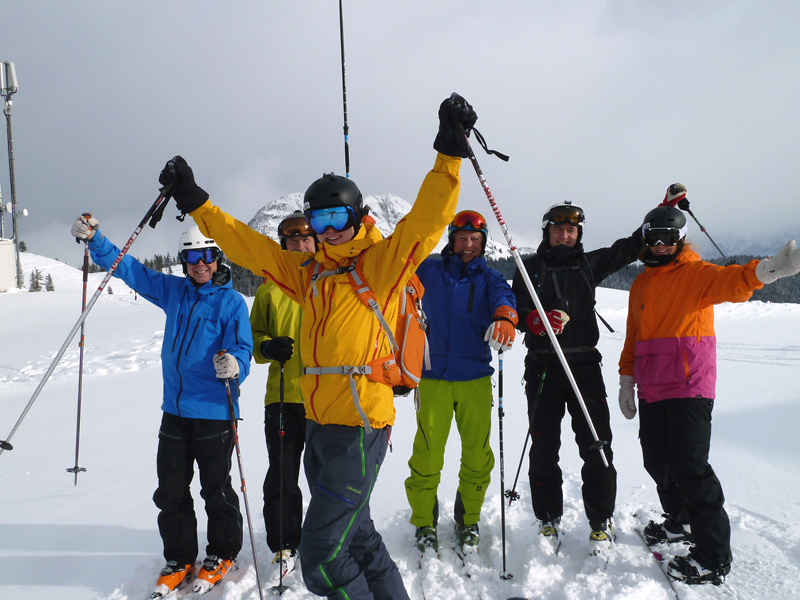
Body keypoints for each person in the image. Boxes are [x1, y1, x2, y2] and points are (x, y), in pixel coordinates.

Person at [156, 93, 477, 600]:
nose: (327, 232)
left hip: (362, 426)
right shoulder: (310, 275)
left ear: (358, 216)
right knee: (360, 536)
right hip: (319, 424)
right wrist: (197, 201)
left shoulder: (383, 264)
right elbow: (248, 246)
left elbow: (428, 220)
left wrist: (449, 154)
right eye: (318, 222)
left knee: (322, 557)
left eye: (337, 219)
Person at [618, 198, 800, 584]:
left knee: (692, 470)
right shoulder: (641, 282)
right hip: (652, 387)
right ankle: (679, 522)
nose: (661, 244)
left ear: (681, 239)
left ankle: (713, 555)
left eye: (669, 237)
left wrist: (765, 271)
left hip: (689, 385)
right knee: (658, 461)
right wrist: (626, 379)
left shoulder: (696, 273)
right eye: (654, 237)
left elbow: (731, 282)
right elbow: (633, 335)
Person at [70, 218, 252, 597]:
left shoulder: (232, 302)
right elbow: (132, 271)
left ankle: (222, 553)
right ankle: (180, 557)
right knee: (170, 490)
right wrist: (96, 241)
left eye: (206, 256)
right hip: (174, 410)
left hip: (215, 411)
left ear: (217, 258)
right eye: (191, 258)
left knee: (215, 490)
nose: (199, 265)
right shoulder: (175, 291)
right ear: (184, 262)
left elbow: (243, 351)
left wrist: (234, 365)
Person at [511, 201, 644, 552]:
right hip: (543, 365)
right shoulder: (530, 268)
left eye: (571, 230)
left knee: (597, 445)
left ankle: (600, 520)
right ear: (547, 232)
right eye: (558, 229)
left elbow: (628, 248)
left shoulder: (589, 263)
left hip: (584, 365)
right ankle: (548, 518)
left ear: (578, 233)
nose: (564, 235)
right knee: (543, 447)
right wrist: (535, 323)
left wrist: (662, 214)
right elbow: (518, 308)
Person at [404, 209, 517, 555]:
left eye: (475, 240)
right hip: (432, 377)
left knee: (478, 456)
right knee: (426, 455)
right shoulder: (428, 270)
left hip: (475, 380)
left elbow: (505, 301)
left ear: (483, 244)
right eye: (462, 238)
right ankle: (424, 522)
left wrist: (506, 319)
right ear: (452, 239)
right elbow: (401, 283)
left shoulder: (491, 278)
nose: (468, 245)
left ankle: (468, 518)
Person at [249, 211, 316, 574]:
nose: (300, 245)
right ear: (283, 245)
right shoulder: (268, 287)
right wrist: (268, 348)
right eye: (292, 241)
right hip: (282, 396)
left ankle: (326, 536)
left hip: (326, 397)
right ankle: (284, 543)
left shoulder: (330, 279)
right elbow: (254, 339)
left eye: (306, 239)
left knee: (327, 475)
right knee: (282, 474)